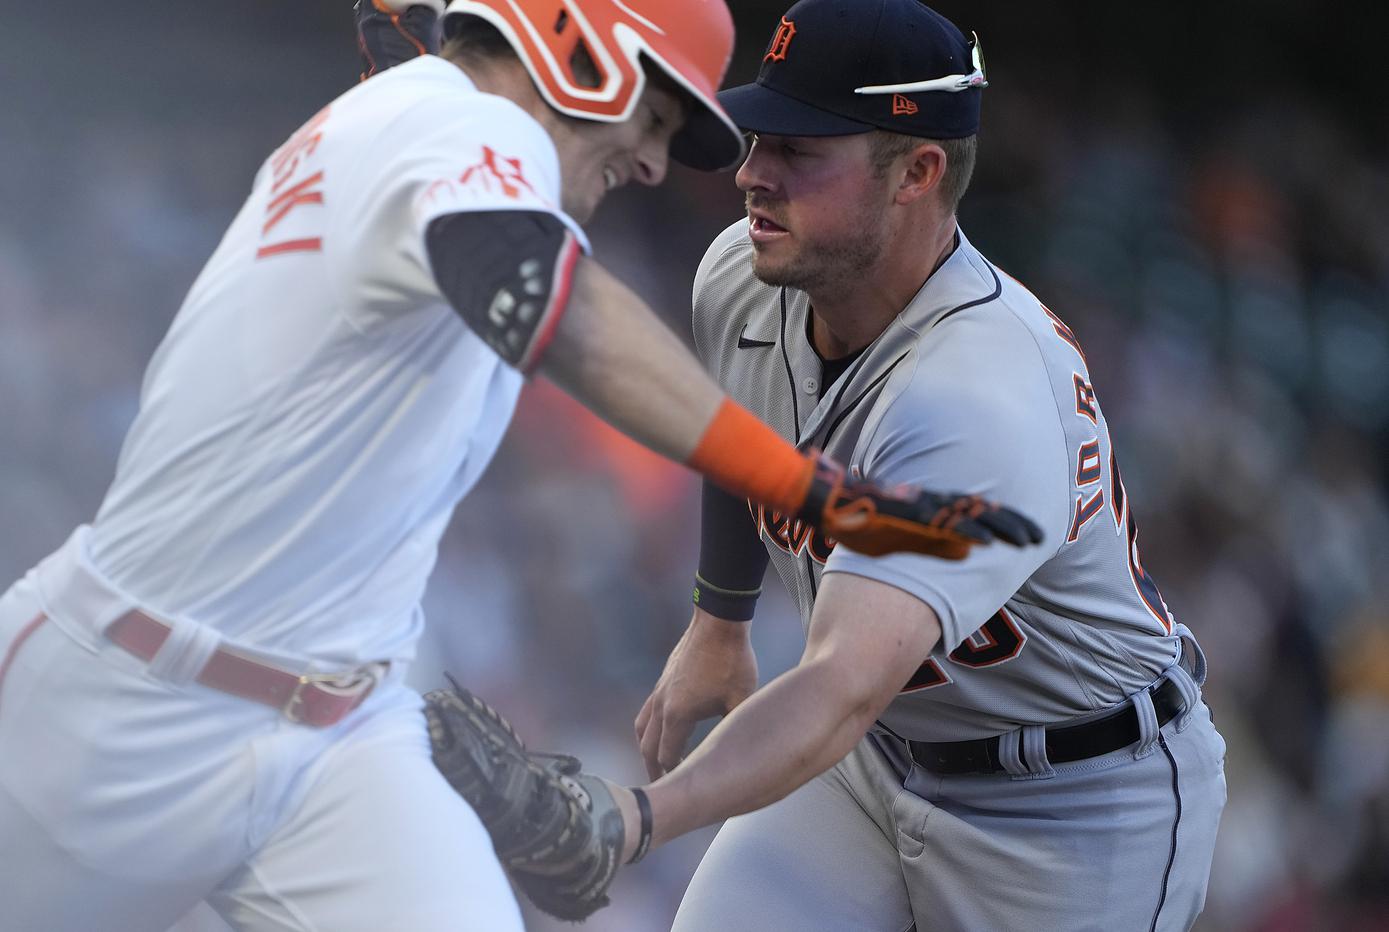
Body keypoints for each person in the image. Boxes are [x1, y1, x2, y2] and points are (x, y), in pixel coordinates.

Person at [0, 1, 1041, 930]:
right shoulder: (462, 123)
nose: (650, 159)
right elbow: (565, 314)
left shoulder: (428, 120)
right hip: (119, 706)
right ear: (578, 49)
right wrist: (813, 489)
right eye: (656, 112)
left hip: (340, 741)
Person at [627, 0, 1228, 929]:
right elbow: (737, 429)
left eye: (798, 149)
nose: (751, 173)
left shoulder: (974, 392)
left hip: (1075, 806)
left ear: (917, 170)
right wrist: (719, 619)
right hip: (877, 761)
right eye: (757, 136)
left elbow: (835, 687)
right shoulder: (745, 272)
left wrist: (636, 819)